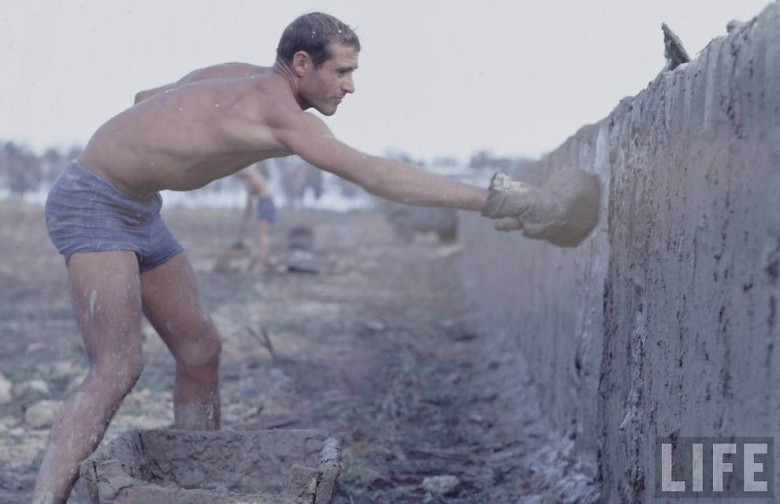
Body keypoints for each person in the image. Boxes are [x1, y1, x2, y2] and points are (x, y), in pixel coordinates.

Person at [35, 12, 595, 503]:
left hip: (139, 208)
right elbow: (375, 174)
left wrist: (180, 146)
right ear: (302, 64)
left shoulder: (241, 78)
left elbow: (145, 99)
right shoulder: (279, 113)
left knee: (201, 350)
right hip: (92, 202)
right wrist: (503, 200)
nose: (351, 86)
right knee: (117, 367)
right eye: (342, 72)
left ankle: (194, 482)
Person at [233, 165, 275, 272]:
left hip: (265, 202)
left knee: (263, 235)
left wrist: (250, 192)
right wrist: (246, 217)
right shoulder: (251, 179)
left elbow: (252, 194)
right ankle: (261, 261)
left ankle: (261, 264)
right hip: (263, 203)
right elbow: (250, 203)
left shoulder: (251, 176)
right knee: (261, 235)